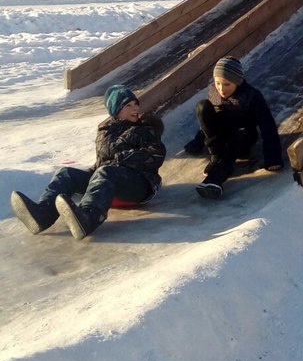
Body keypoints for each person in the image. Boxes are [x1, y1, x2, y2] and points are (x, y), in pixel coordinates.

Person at [10, 84, 166, 241]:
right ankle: (43, 214)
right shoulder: (106, 132)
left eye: (135, 104)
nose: (135, 108)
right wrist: (92, 173)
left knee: (105, 172)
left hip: (139, 184)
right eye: (128, 105)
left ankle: (87, 218)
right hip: (107, 184)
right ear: (116, 110)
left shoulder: (145, 130)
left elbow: (156, 154)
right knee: (66, 173)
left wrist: (123, 158)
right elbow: (101, 162)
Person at [188, 56, 283, 200]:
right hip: (222, 136)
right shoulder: (214, 93)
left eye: (227, 84)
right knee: (203, 106)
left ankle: (214, 180)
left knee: (238, 136)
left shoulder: (252, 96)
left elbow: (267, 126)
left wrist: (273, 157)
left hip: (242, 136)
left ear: (237, 81)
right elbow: (209, 121)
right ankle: (217, 155)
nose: (221, 89)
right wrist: (198, 142)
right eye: (217, 83)